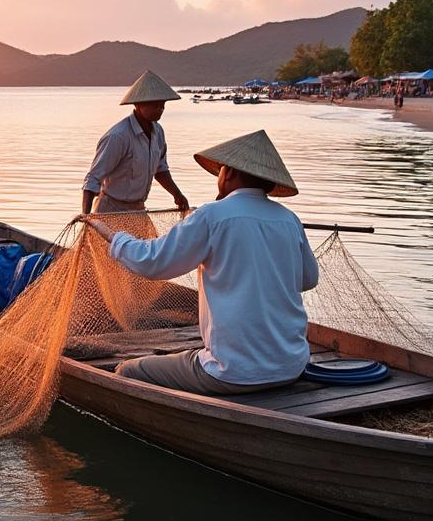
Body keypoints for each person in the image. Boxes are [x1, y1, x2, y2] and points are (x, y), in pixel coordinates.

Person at [82, 129, 319, 396]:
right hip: (291, 365)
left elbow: (153, 262)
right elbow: (308, 279)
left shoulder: (212, 216)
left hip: (233, 371)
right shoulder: (289, 220)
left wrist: (112, 236)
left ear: (228, 173)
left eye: (219, 171)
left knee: (128, 371)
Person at [82, 70, 189, 215]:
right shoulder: (118, 137)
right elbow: (93, 179)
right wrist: (86, 217)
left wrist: (177, 195)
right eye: (155, 105)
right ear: (138, 104)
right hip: (111, 210)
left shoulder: (158, 133)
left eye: (163, 105)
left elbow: (160, 169)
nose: (160, 109)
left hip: (138, 209)